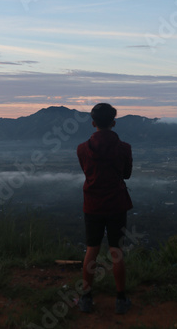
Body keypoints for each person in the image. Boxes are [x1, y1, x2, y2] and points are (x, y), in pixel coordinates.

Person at [77, 103, 133, 314]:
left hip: (92, 204)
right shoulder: (124, 148)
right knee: (116, 251)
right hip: (117, 204)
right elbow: (126, 174)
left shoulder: (82, 148)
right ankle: (120, 299)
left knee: (91, 249)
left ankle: (86, 298)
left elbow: (87, 171)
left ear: (93, 123)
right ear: (114, 123)